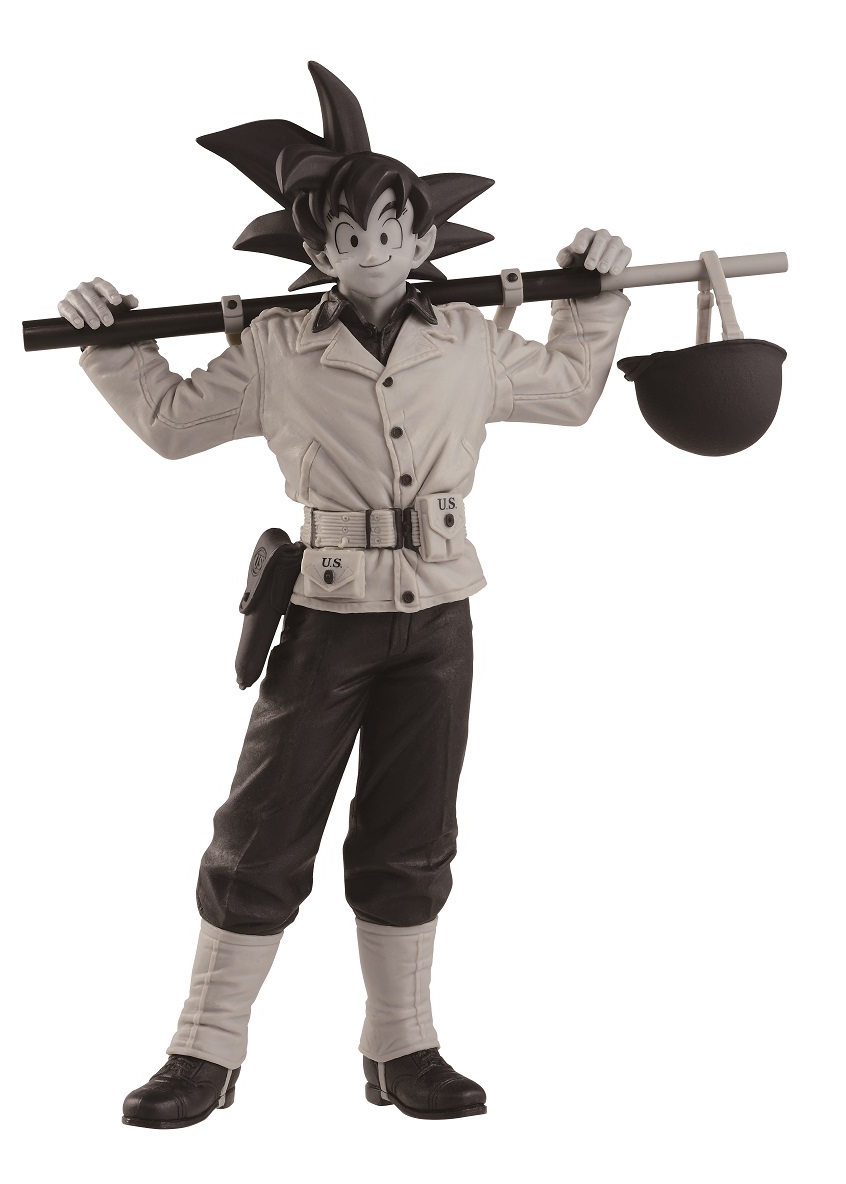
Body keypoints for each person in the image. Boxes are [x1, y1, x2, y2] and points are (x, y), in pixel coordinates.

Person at [58, 63, 632, 1127]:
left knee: (414, 831)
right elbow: (174, 424)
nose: (370, 251)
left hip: (440, 616)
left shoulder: (469, 339)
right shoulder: (279, 348)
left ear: (423, 238)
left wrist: (589, 299)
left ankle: (402, 1044)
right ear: (315, 251)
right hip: (326, 617)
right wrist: (113, 341)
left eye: (390, 230)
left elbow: (566, 394)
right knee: (264, 826)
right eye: (345, 236)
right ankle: (205, 1047)